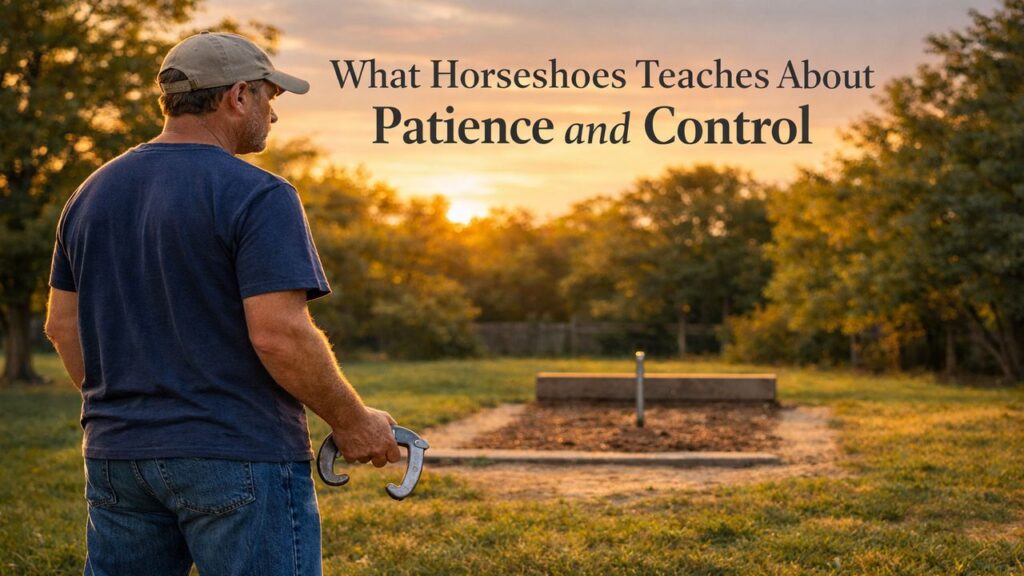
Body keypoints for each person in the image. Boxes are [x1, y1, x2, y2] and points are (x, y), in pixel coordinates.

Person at [43, 31, 400, 576]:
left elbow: (61, 327)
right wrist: (353, 421)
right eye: (269, 97)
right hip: (238, 454)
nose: (273, 115)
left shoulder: (90, 194)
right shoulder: (260, 194)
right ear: (237, 96)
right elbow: (278, 335)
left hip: (118, 458)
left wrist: (131, 415)